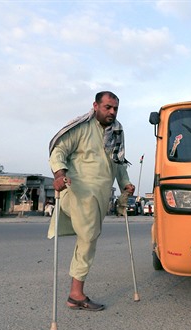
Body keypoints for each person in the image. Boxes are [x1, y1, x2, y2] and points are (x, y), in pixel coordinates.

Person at [48, 91, 135, 311]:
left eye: (115, 108)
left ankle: (75, 293)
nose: (112, 112)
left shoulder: (116, 131)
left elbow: (118, 162)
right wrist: (59, 175)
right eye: (108, 107)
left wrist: (125, 182)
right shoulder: (81, 127)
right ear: (95, 106)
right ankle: (75, 294)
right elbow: (59, 151)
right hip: (79, 191)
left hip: (101, 194)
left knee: (90, 236)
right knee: (88, 237)